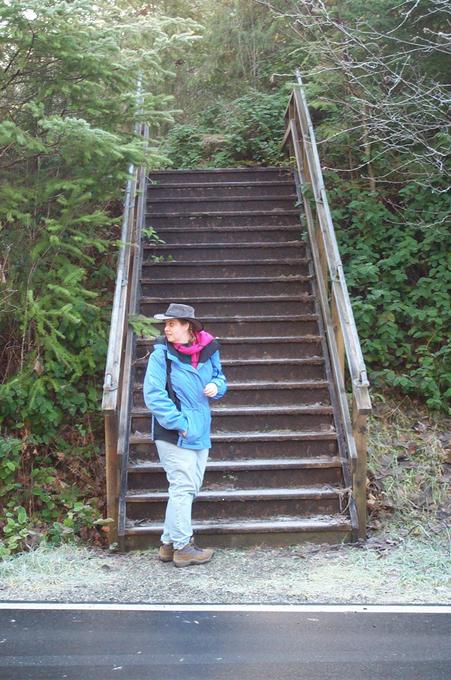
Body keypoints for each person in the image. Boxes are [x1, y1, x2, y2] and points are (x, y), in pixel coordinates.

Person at [143, 303, 227, 567]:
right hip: (173, 431)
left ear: (187, 327)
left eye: (171, 323)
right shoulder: (160, 355)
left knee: (189, 487)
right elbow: (154, 396)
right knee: (183, 485)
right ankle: (183, 547)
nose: (166, 328)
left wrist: (217, 386)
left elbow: (219, 376)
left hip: (201, 427)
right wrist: (180, 423)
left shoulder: (209, 349)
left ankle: (168, 544)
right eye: (165, 324)